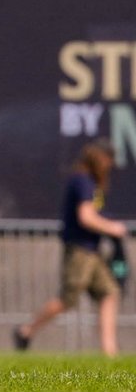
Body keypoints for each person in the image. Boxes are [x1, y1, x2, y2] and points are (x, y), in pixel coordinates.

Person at [14, 138, 128, 356]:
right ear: (99, 158)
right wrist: (112, 228)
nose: (109, 166)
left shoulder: (90, 183)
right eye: (107, 160)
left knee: (109, 292)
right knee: (68, 299)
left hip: (93, 251)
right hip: (80, 250)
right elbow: (86, 217)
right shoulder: (82, 181)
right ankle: (26, 331)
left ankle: (110, 351)